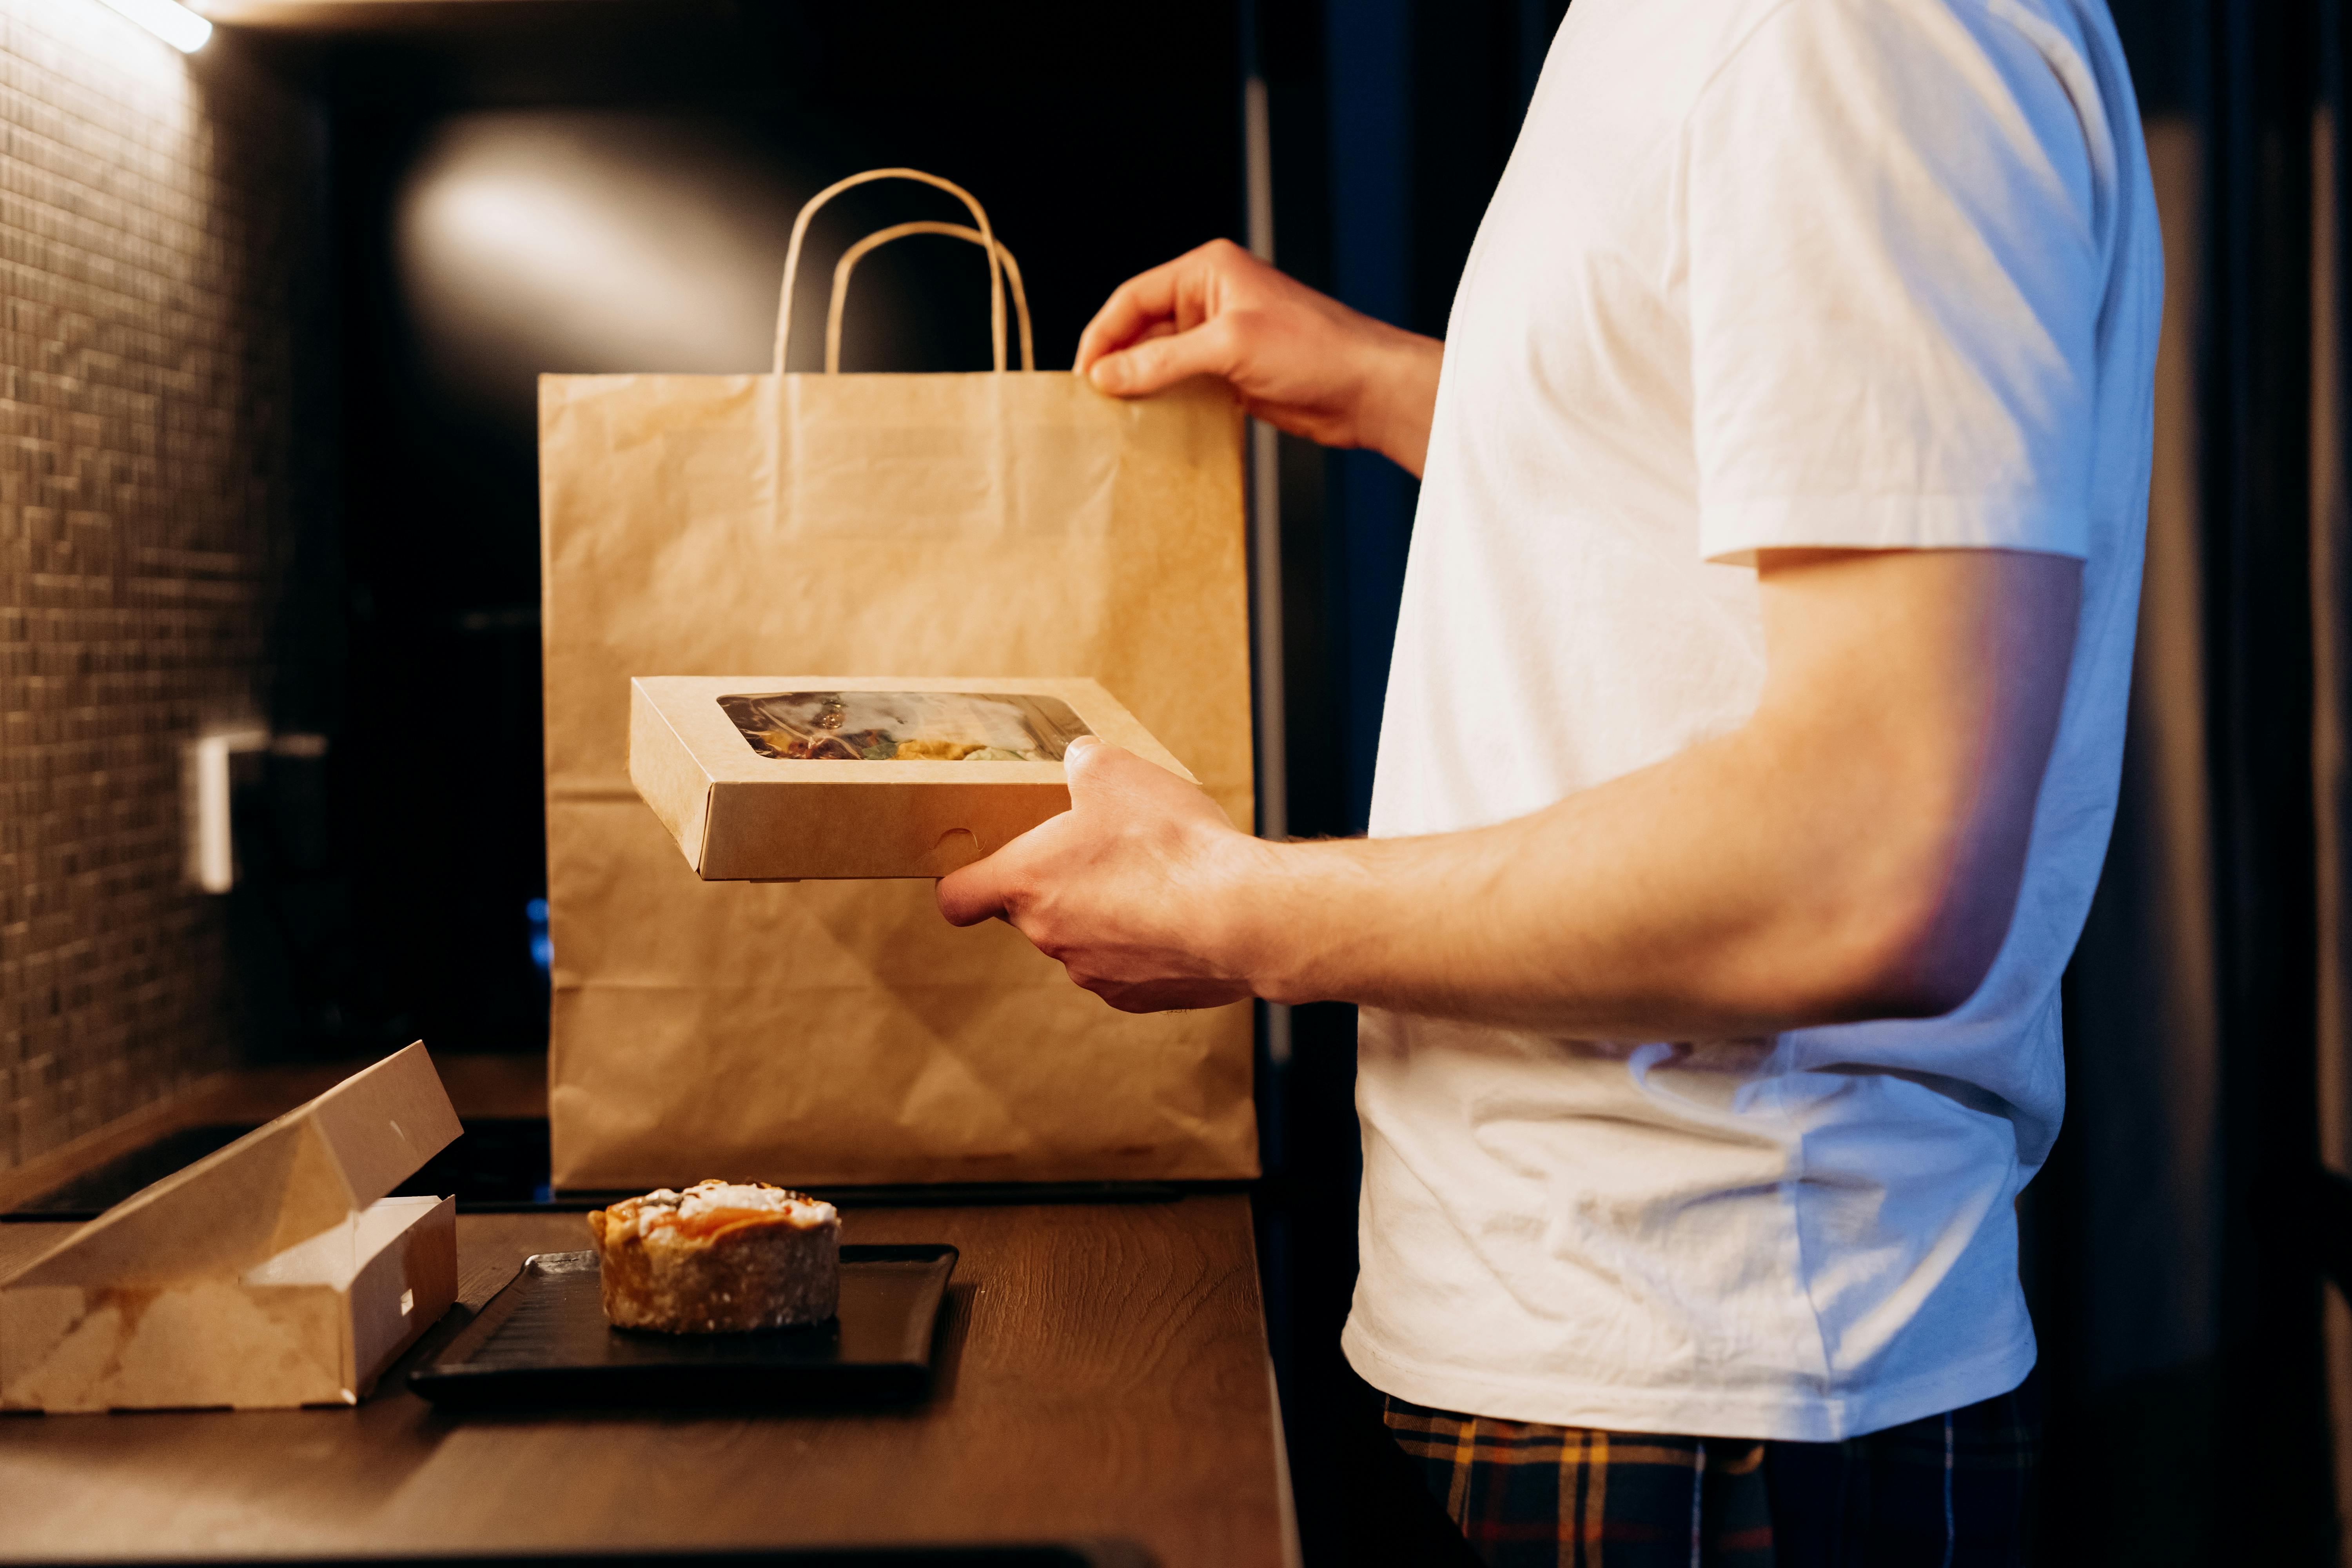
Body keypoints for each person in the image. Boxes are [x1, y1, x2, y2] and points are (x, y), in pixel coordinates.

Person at [937, 0, 2160, 1559]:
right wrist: (1396, 384)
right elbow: (1727, 477)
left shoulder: (1837, 28)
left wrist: (1221, 904)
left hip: (1705, 1388)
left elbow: (1875, 861)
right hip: (1608, 1357)